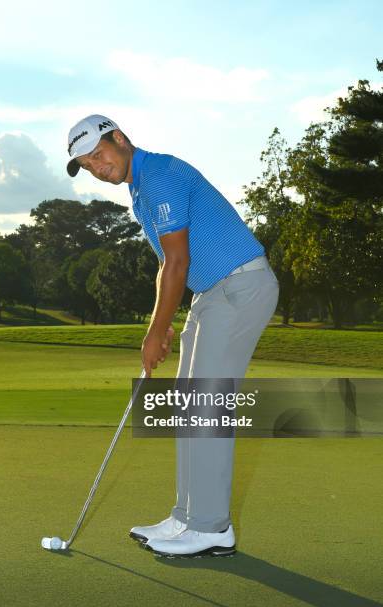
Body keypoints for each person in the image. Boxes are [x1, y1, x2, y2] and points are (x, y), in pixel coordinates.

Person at [66, 114, 279, 558]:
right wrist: (161, 328)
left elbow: (176, 263)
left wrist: (156, 331)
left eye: (99, 155)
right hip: (212, 293)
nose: (97, 168)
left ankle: (211, 527)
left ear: (120, 139)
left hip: (240, 286)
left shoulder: (159, 174)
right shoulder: (141, 189)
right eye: (87, 165)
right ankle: (187, 516)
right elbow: (172, 265)